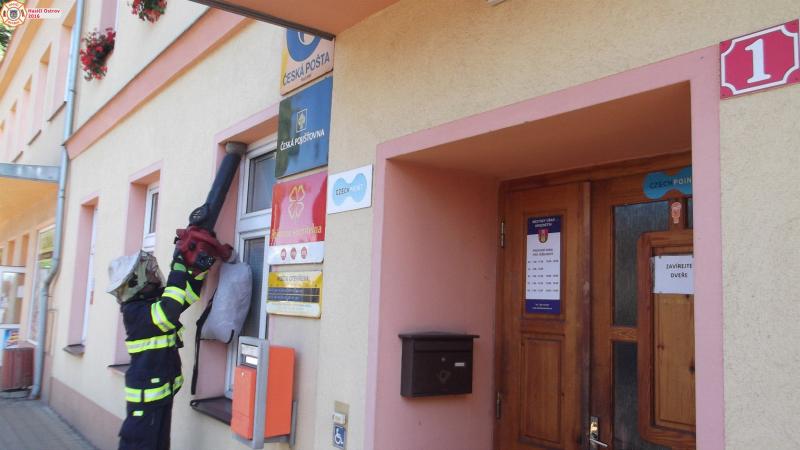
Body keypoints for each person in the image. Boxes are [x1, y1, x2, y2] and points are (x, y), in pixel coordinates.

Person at [106, 250, 211, 450]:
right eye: (149, 271)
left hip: (159, 394)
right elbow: (170, 309)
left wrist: (198, 272)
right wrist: (178, 267)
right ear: (136, 282)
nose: (154, 273)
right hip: (148, 399)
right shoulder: (135, 312)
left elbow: (184, 297)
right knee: (142, 445)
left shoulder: (148, 304)